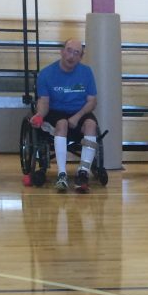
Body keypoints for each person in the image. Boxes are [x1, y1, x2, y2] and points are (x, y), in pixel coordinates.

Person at [32, 39, 98, 192]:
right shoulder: (46, 74)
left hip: (79, 110)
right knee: (61, 124)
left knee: (91, 125)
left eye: (77, 53)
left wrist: (78, 116)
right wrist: (39, 116)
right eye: (69, 50)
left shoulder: (86, 72)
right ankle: (62, 174)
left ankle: (83, 172)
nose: (71, 56)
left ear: (81, 57)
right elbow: (44, 102)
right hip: (56, 111)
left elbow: (92, 101)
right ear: (62, 51)